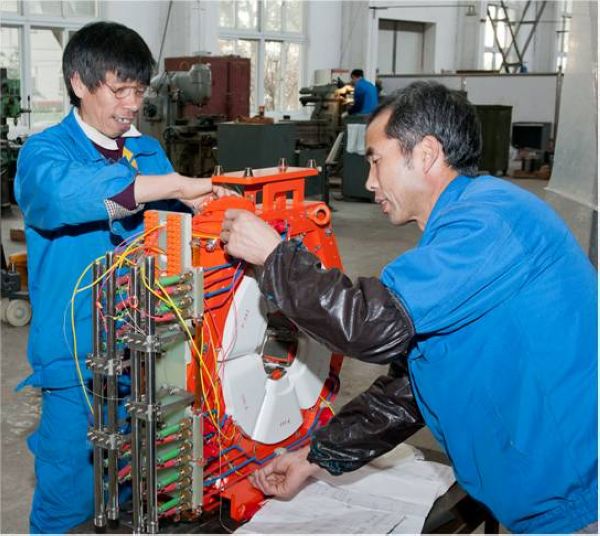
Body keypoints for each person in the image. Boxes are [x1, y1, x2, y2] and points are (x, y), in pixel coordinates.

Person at [219, 81, 598, 533]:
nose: (369, 181)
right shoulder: (471, 221)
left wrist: (275, 256)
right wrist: (315, 458)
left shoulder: (488, 224)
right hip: (542, 492)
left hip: (577, 500)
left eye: (376, 160)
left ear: (426, 154)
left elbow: (368, 326)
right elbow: (412, 385)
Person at [14, 21, 231, 533]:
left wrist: (214, 211)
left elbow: (182, 229)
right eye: (120, 90)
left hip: (150, 351)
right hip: (79, 358)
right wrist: (171, 184)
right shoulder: (45, 153)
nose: (132, 105)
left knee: (141, 485)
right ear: (79, 83)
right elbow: (69, 198)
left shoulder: (148, 151)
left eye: (140, 91)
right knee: (70, 495)